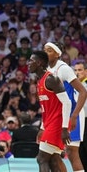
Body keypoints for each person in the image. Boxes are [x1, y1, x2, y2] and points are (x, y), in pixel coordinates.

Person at [45, 41, 87, 172]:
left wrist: (74, 115)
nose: (45, 52)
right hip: (58, 114)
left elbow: (82, 91)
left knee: (72, 152)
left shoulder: (64, 69)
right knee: (53, 154)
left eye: (49, 50)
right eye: (45, 49)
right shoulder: (48, 70)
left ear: (57, 53)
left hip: (72, 113)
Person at [29, 50, 72, 172]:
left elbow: (67, 103)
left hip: (58, 123)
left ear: (40, 62)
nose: (28, 63)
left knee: (41, 159)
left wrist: (64, 128)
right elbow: (46, 110)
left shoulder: (52, 79)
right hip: (50, 123)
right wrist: (43, 128)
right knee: (53, 161)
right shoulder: (40, 81)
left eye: (31, 61)